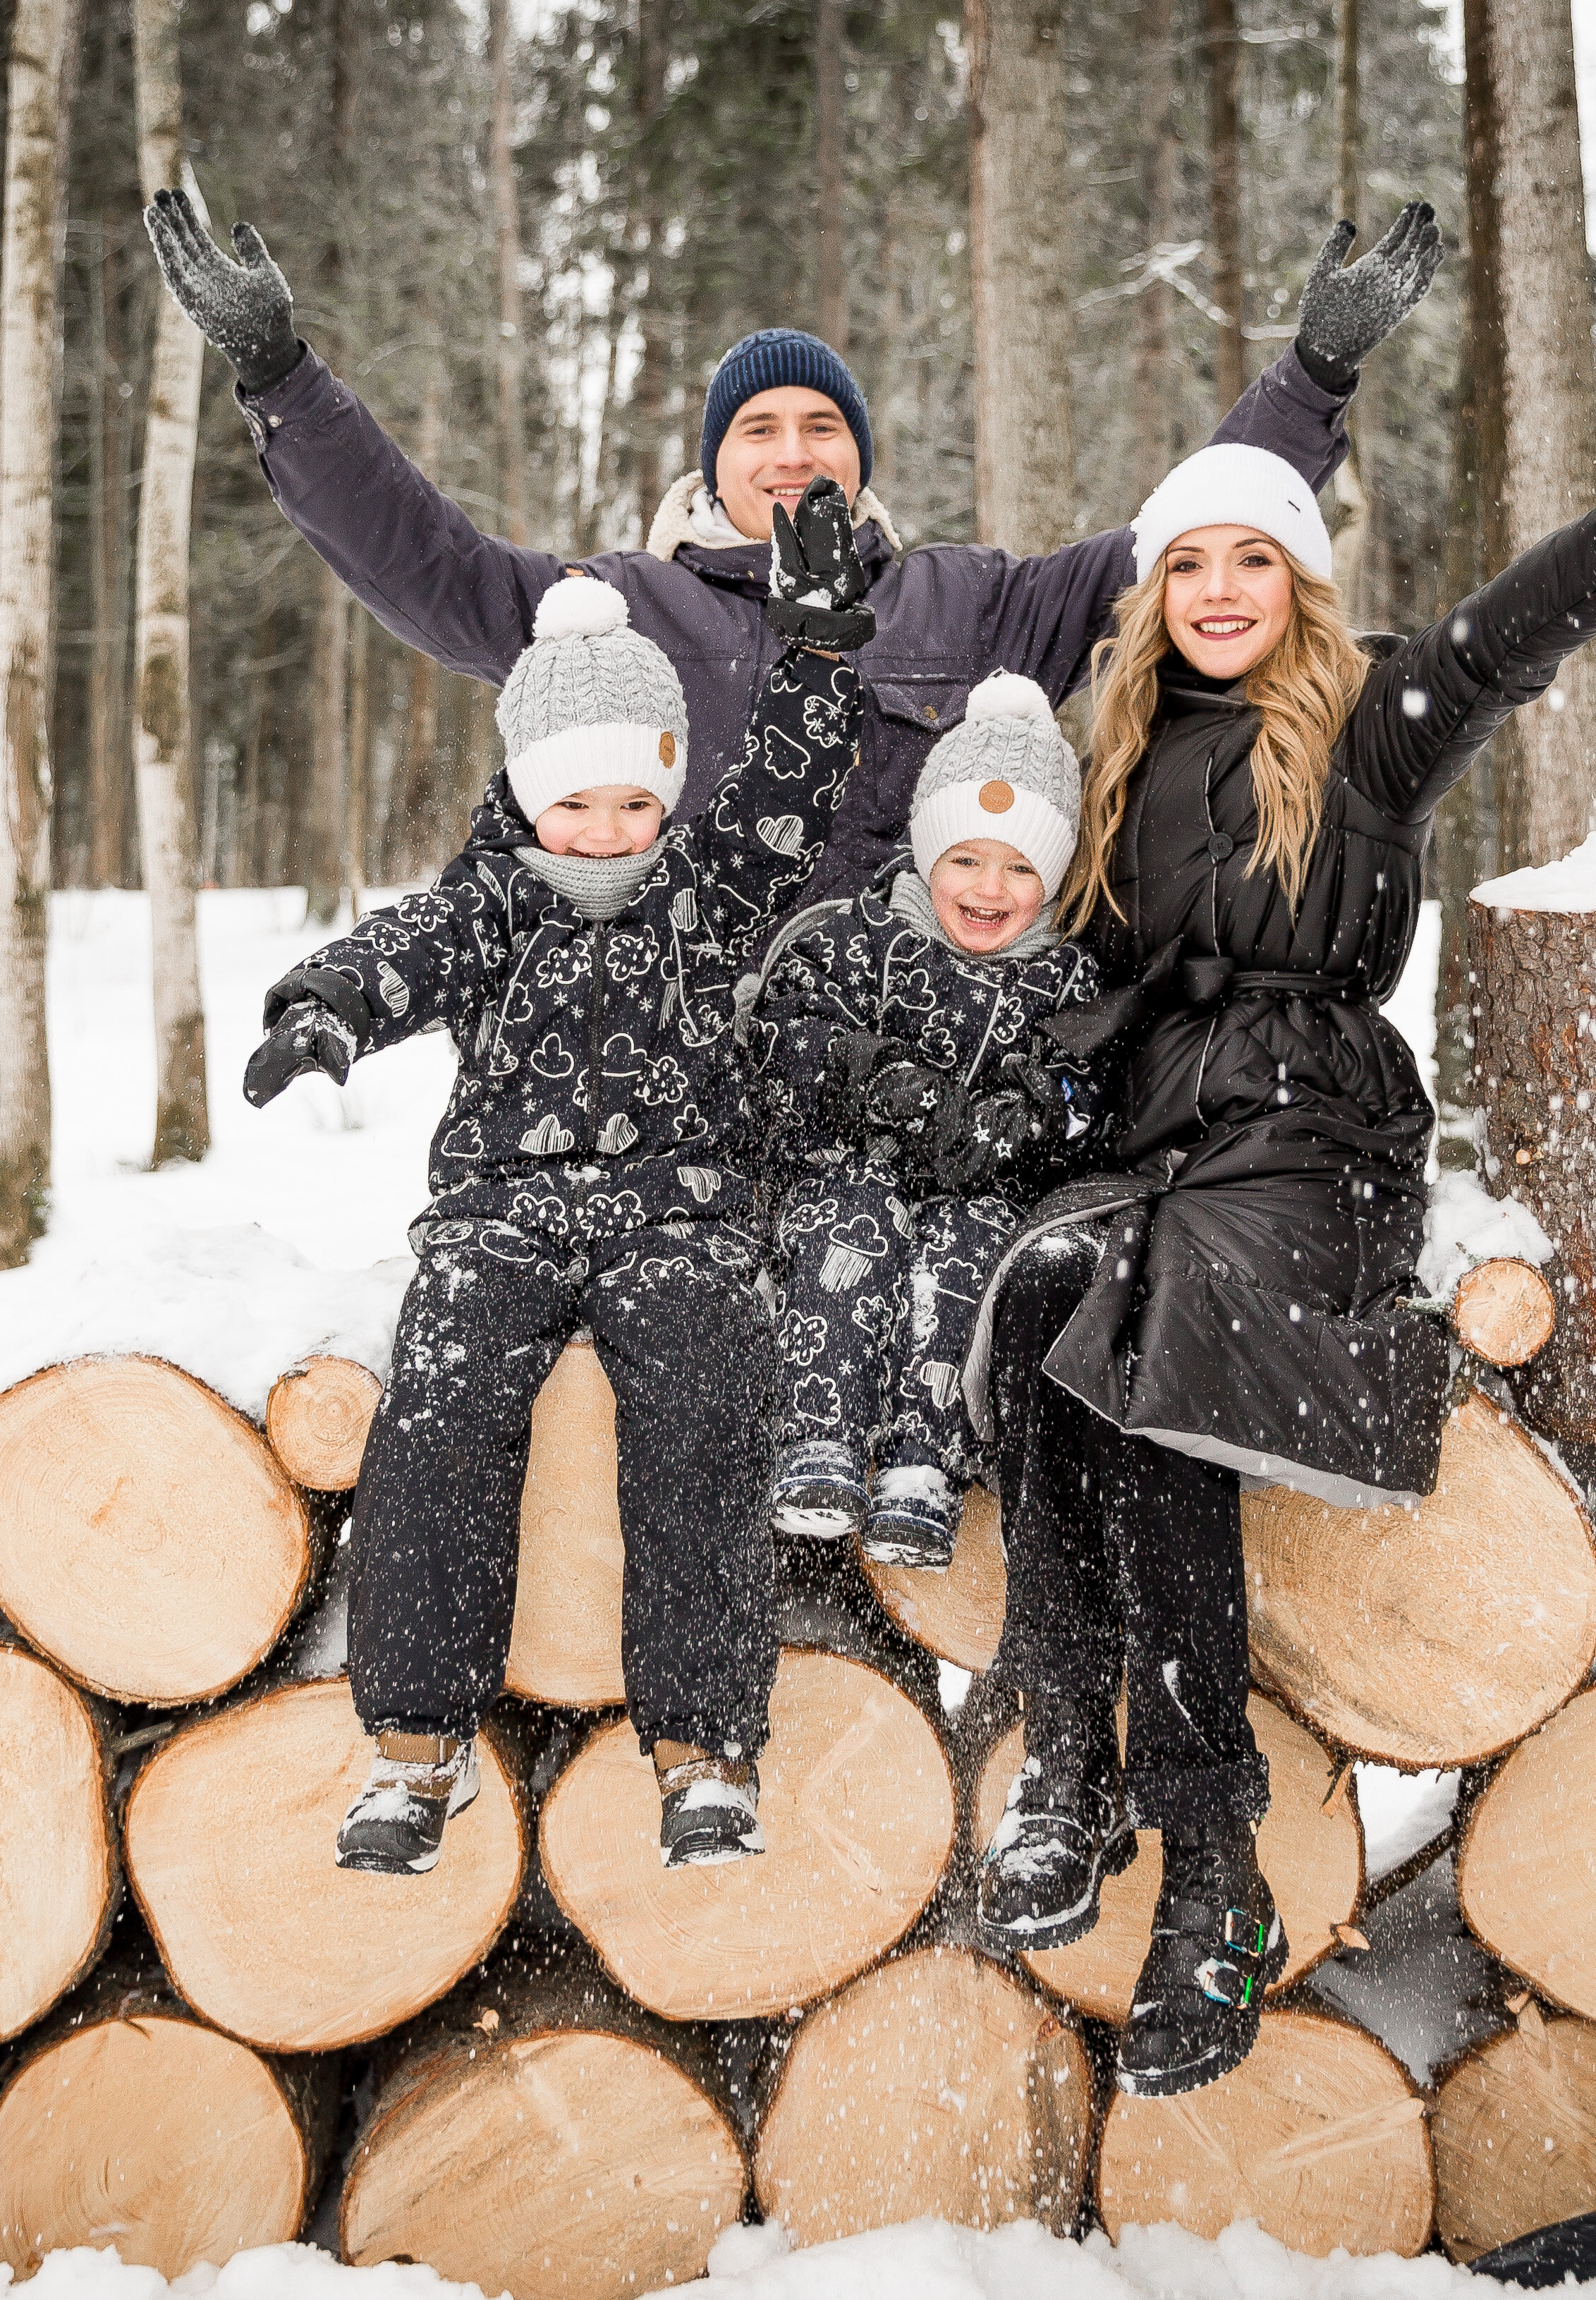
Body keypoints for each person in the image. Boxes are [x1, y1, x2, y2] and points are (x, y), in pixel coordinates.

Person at [971, 395, 1596, 2098]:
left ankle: (1213, 1859)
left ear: (1299, 585)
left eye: (1253, 557)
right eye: (1186, 563)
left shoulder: (1364, 721)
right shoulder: (1110, 757)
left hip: (1309, 1137)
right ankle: (1064, 1758)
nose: (1217, 588)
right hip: (1148, 1132)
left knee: (1158, 1347)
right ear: (1148, 592)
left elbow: (1510, 632)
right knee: (1039, 1313)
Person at [140, 182, 1447, 899]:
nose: (792, 452)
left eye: (822, 424)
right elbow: (427, 569)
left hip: (897, 1059)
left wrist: (1313, 374)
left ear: (859, 458)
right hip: (681, 1065)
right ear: (715, 462)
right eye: (757, 427)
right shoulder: (620, 608)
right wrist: (283, 380)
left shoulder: (968, 602)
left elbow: (1184, 542)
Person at [242, 481, 878, 1878]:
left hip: (679, 1212)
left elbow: (783, 792)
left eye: (633, 795)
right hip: (500, 1215)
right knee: (445, 1397)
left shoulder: (708, 889)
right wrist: (329, 1009)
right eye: (573, 798)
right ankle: (415, 1745)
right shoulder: (491, 902)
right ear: (529, 791)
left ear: (665, 786)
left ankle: (703, 1749)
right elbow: (403, 948)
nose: (604, 824)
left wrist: (820, 661)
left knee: (709, 1402)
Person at [740, 671, 1108, 1569]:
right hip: (846, 1170)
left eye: (1022, 866)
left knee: (967, 1257)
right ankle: (817, 1434)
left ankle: (922, 1460)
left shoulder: (1065, 979)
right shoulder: (859, 937)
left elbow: (1082, 1090)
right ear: (925, 854)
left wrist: (1017, 1119)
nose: (991, 888)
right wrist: (890, 1086)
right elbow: (790, 1035)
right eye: (967, 860)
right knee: (852, 1233)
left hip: (979, 1188)